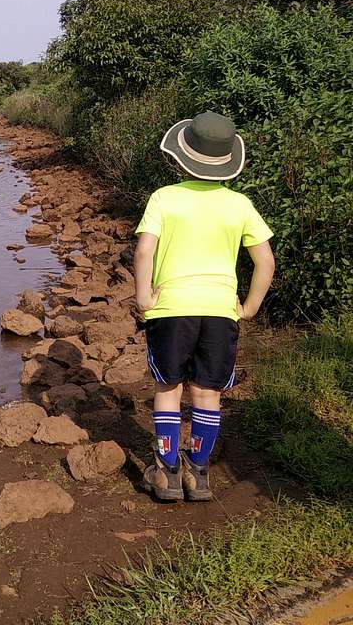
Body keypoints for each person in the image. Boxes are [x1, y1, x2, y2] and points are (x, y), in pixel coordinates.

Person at [134, 112, 275, 501]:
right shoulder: (240, 204)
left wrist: (143, 296)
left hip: (171, 308)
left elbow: (144, 250)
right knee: (207, 393)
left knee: (167, 387)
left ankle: (167, 474)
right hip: (218, 310)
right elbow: (266, 262)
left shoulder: (164, 197)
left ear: (182, 156)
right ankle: (199, 474)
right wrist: (248, 307)